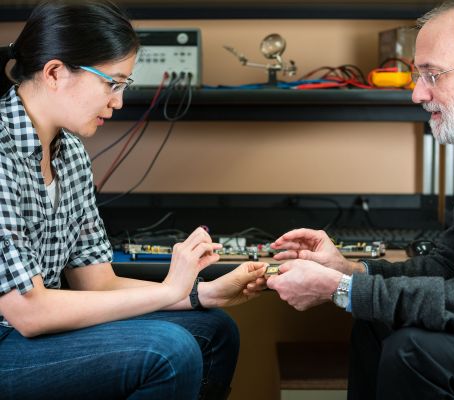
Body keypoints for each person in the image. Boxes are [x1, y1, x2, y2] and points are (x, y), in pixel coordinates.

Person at [267, 1, 454, 399]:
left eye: (433, 75)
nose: (417, 94)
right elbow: (448, 264)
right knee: (376, 324)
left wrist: (341, 290)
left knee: (413, 353)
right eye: (418, 76)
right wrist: (350, 270)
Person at [0, 1, 267, 399]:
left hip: (27, 333)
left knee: (216, 329)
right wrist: (170, 289)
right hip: (11, 338)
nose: (118, 101)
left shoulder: (70, 153)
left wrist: (200, 293)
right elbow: (29, 312)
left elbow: (98, 283)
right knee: (168, 351)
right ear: (55, 73)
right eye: (113, 83)